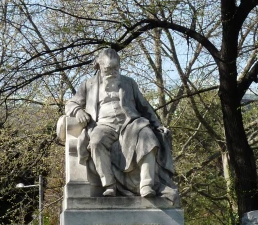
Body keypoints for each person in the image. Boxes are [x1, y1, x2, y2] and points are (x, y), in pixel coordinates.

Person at [63, 48, 178, 202]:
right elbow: (71, 103)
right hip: (103, 125)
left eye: (115, 68)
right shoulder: (88, 85)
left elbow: (144, 107)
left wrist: (157, 125)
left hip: (130, 124)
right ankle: (109, 184)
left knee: (148, 135)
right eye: (108, 69)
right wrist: (77, 111)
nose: (112, 72)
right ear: (99, 67)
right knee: (96, 142)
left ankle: (147, 184)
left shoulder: (129, 83)